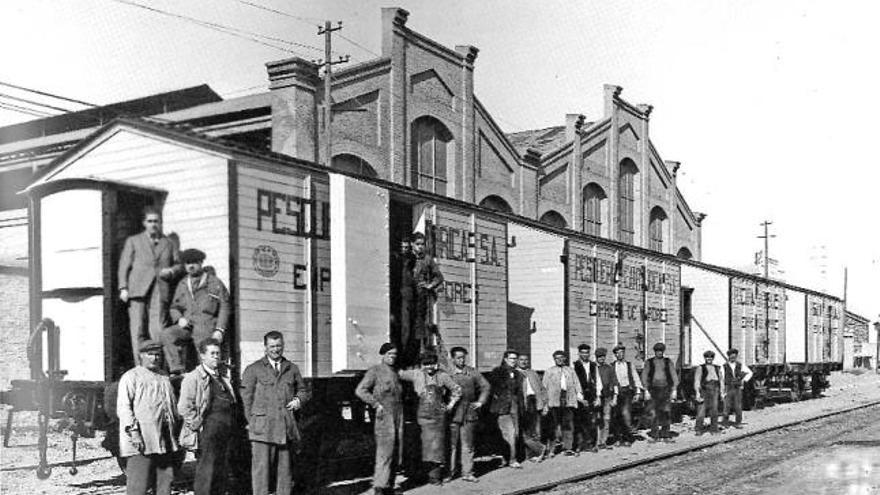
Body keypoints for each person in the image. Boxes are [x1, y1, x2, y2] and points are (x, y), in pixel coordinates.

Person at [240, 331, 309, 495]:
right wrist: (252, 421)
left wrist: (298, 400)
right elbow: (246, 398)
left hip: (284, 428)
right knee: (261, 472)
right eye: (272, 346)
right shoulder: (253, 369)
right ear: (265, 348)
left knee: (285, 473)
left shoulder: (292, 368)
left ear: (283, 346)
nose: (275, 350)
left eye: (278, 346)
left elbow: (304, 390)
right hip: (262, 429)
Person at [118, 207, 182, 364]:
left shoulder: (168, 243)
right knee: (138, 329)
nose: (153, 224)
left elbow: (179, 265)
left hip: (159, 289)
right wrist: (123, 287)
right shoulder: (133, 241)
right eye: (150, 221)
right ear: (144, 223)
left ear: (160, 223)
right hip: (137, 289)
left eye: (156, 221)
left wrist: (171, 271)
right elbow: (123, 265)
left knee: (157, 329)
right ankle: (140, 366)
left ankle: (157, 365)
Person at [117, 340, 180, 495]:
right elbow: (124, 408)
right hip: (142, 439)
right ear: (141, 356)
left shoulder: (164, 376)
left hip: (164, 439)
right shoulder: (131, 377)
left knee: (164, 483)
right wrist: (134, 432)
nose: (154, 358)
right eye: (150, 354)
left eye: (157, 354)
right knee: (139, 484)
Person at [177, 338, 236, 495]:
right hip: (208, 432)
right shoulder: (193, 377)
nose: (216, 357)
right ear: (202, 356)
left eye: (218, 353)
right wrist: (197, 425)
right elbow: (184, 407)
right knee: (206, 473)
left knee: (220, 472)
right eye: (212, 353)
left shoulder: (222, 377)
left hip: (224, 431)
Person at [164, 249, 230, 374]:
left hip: (206, 326)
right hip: (187, 325)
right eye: (188, 263)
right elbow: (174, 307)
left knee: (205, 359)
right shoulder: (183, 284)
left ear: (201, 263)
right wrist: (179, 319)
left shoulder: (214, 282)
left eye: (194, 262)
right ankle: (177, 371)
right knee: (168, 334)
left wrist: (219, 329)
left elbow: (225, 306)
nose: (191, 266)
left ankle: (209, 378)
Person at [400, 352, 461, 485]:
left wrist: (450, 405)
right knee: (420, 446)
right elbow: (399, 373)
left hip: (437, 417)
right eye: (426, 364)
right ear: (422, 365)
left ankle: (435, 477)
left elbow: (457, 390)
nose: (429, 367)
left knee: (436, 447)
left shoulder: (443, 376)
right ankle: (420, 476)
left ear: (436, 364)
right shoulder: (416, 374)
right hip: (421, 416)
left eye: (432, 364)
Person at [355, 343, 404, 495]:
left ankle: (389, 485)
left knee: (397, 450)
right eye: (390, 354)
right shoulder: (374, 371)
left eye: (395, 354)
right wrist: (376, 404)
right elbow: (360, 390)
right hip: (384, 415)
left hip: (398, 414)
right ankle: (380, 487)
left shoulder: (395, 372)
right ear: (382, 355)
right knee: (385, 451)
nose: (393, 357)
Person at [400, 232, 444, 365]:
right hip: (407, 297)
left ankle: (416, 358)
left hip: (420, 297)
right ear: (412, 244)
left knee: (419, 329)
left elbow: (439, 277)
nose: (420, 247)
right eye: (418, 244)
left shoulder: (427, 260)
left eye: (422, 244)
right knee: (406, 327)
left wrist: (429, 286)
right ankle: (404, 357)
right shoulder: (407, 258)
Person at [447, 346, 490, 483]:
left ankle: (468, 472)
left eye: (463, 357)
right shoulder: (446, 373)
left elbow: (486, 386)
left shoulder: (472, 372)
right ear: (452, 358)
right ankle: (450, 473)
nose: (461, 360)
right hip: (452, 413)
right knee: (451, 445)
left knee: (468, 445)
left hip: (469, 413)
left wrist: (480, 402)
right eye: (458, 357)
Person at [487, 350, 525, 468]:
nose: (513, 361)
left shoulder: (518, 374)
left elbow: (519, 392)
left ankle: (507, 457)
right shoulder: (497, 372)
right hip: (503, 407)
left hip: (515, 406)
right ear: (505, 359)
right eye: (511, 359)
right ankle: (512, 459)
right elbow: (491, 389)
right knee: (509, 433)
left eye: (515, 359)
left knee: (516, 433)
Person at [542, 350, 583, 456]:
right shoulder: (549, 371)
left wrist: (579, 395)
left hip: (568, 400)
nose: (560, 360)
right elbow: (544, 388)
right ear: (554, 360)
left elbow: (577, 384)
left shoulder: (570, 370)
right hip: (554, 401)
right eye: (557, 358)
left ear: (565, 358)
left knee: (568, 425)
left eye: (562, 357)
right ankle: (552, 449)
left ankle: (568, 447)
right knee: (554, 426)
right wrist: (545, 404)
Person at [641, 342, 680, 442]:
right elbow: (644, 376)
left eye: (661, 351)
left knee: (666, 412)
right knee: (654, 413)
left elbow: (674, 375)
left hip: (665, 389)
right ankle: (655, 434)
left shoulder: (668, 362)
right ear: (655, 352)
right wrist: (646, 390)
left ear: (663, 352)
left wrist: (674, 389)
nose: (659, 353)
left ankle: (665, 434)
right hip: (653, 390)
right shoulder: (649, 362)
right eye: (657, 351)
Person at [517, 353, 548, 462]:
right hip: (523, 404)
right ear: (517, 361)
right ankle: (538, 450)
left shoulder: (533, 373)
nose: (524, 362)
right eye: (521, 360)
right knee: (525, 431)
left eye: (526, 360)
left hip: (535, 401)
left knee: (536, 429)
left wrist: (545, 405)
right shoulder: (515, 373)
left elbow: (542, 389)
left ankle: (534, 455)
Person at [611, 344, 644, 446]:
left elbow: (635, 378)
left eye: (622, 352)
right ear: (615, 355)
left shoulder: (629, 365)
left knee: (626, 414)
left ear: (624, 354)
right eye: (618, 353)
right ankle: (618, 438)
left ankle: (627, 438)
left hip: (627, 392)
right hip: (616, 393)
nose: (620, 354)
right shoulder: (612, 366)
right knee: (616, 416)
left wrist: (638, 392)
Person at [573, 343, 602, 453]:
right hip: (580, 397)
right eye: (583, 353)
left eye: (587, 353)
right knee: (580, 422)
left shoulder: (593, 365)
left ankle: (591, 444)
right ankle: (580, 445)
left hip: (592, 396)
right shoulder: (574, 365)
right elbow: (573, 383)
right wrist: (580, 398)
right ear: (579, 353)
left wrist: (598, 397)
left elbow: (598, 381)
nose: (585, 355)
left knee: (592, 421)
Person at [694, 350, 725, 435]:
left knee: (714, 410)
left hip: (715, 389)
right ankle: (699, 429)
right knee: (701, 411)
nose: (709, 359)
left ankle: (714, 429)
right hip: (704, 389)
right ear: (705, 358)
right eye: (707, 357)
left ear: (713, 358)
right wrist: (697, 392)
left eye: (711, 357)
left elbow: (721, 380)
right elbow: (697, 380)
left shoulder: (717, 368)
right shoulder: (701, 367)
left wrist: (722, 392)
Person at [721, 348, 753, 429]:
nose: (733, 358)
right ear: (728, 357)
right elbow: (721, 378)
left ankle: (738, 423)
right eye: (731, 356)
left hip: (737, 388)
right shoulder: (724, 366)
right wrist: (722, 390)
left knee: (738, 406)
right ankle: (725, 423)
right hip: (728, 387)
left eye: (734, 356)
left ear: (736, 356)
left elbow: (749, 373)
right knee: (726, 406)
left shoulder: (740, 365)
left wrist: (743, 380)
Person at [594, 347, 618, 449]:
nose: (601, 359)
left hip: (608, 397)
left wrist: (615, 397)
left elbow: (615, 382)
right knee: (597, 419)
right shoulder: (593, 368)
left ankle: (604, 441)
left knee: (606, 419)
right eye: (599, 357)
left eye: (603, 357)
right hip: (596, 398)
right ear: (596, 357)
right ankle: (597, 441)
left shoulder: (609, 368)